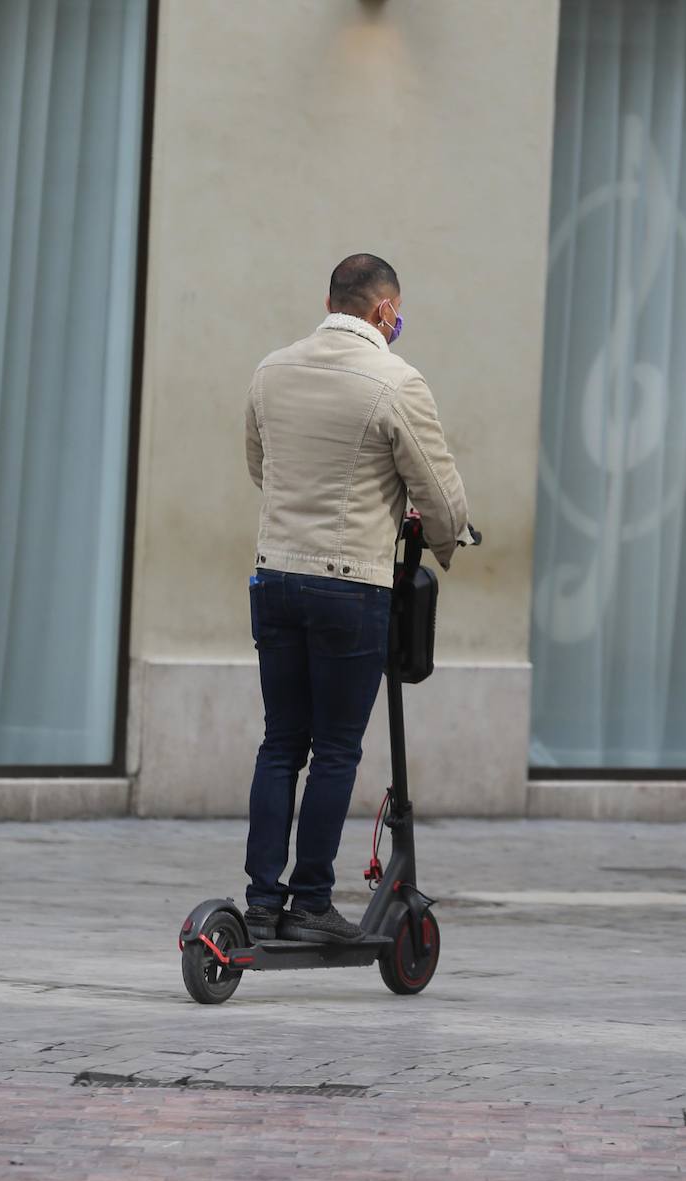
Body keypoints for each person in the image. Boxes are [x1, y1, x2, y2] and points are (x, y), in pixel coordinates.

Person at [243, 253, 469, 944]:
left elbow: (259, 466)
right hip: (349, 586)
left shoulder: (271, 368)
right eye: (395, 311)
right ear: (382, 311)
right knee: (337, 749)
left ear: (330, 299)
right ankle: (311, 902)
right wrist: (447, 540)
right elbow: (437, 490)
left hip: (274, 577)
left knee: (281, 742)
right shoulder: (396, 381)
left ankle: (260, 900)